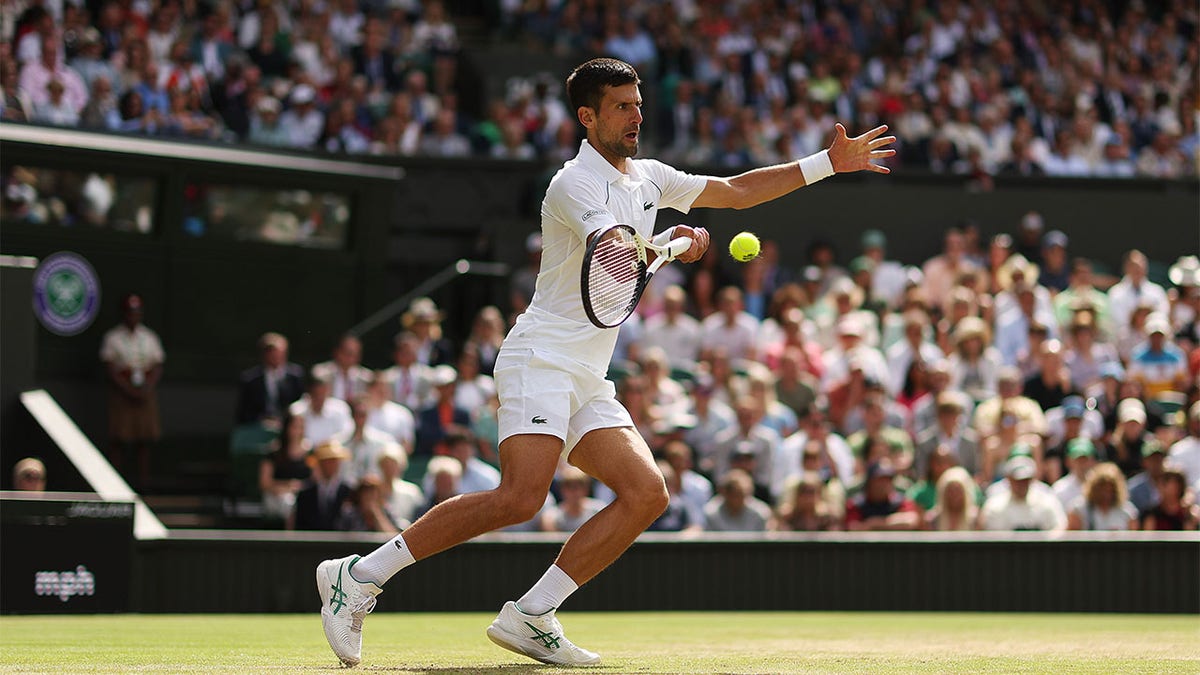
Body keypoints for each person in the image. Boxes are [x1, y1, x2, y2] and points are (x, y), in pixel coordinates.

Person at [314, 57, 894, 668]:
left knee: (647, 492)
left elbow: (734, 192)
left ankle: (531, 614)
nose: (636, 115)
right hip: (541, 357)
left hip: (587, 373)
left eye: (638, 103)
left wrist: (829, 162)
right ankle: (359, 574)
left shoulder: (649, 177)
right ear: (588, 117)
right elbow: (614, 255)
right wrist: (672, 243)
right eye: (622, 106)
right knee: (520, 497)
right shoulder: (573, 185)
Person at [100, 293, 165, 489]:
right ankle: (114, 483)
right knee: (119, 438)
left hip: (145, 392)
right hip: (122, 393)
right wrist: (127, 388)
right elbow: (110, 367)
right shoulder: (113, 338)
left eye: (137, 312)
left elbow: (157, 365)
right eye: (130, 312)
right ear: (123, 313)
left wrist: (147, 387)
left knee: (144, 439)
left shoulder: (149, 337)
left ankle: (144, 483)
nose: (133, 316)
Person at [979, 456, 1067, 532]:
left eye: (1025, 480)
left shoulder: (1048, 502)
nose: (1021, 485)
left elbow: (1059, 529)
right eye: (1017, 481)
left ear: (1031, 480)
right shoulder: (994, 506)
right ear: (1009, 479)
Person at [236, 332, 306, 427]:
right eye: (272, 354)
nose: (276, 357)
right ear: (264, 355)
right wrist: (263, 421)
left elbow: (301, 403)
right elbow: (244, 411)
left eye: (279, 353)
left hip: (289, 426)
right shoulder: (250, 379)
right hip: (259, 428)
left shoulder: (296, 375)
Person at [291, 440, 354, 531]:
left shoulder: (349, 492)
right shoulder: (305, 494)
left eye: (333, 461)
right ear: (319, 463)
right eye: (325, 461)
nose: (329, 465)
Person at [1066, 462, 1138, 531]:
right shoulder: (1079, 509)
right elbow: (1071, 536)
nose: (1106, 494)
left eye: (1110, 490)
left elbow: (1133, 537)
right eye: (1102, 489)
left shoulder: (1127, 511)